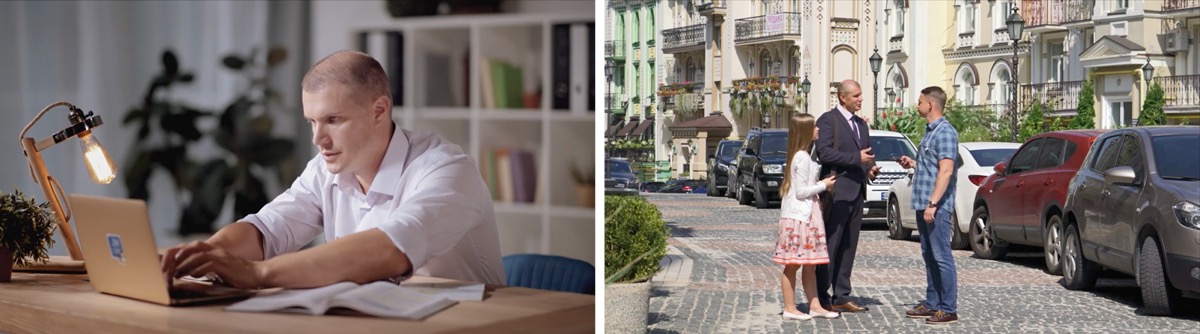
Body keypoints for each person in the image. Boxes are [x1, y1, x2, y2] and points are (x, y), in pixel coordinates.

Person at [161, 51, 505, 289]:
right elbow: (267, 229)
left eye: (333, 120)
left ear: (379, 110)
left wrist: (259, 273)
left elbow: (392, 247)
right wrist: (206, 256)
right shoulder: (326, 170)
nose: (318, 139)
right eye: (312, 121)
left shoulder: (446, 171)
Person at [813, 80, 880, 313]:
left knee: (848, 247)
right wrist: (856, 159)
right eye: (856, 96)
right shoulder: (828, 120)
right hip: (836, 192)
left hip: (857, 191)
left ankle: (842, 295)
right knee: (831, 246)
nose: (860, 99)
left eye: (861, 95)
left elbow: (866, 154)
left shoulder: (861, 124)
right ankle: (822, 297)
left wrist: (870, 167)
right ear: (843, 97)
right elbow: (824, 153)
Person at [897, 86, 960, 325]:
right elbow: (934, 166)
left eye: (920, 101)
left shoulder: (945, 132)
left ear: (931, 104)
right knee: (929, 255)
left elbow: (946, 171)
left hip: (937, 207)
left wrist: (933, 203)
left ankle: (948, 307)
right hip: (924, 203)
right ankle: (932, 303)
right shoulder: (931, 131)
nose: (917, 105)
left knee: (942, 256)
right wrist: (914, 163)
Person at [773, 114, 841, 321]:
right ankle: (790, 307)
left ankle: (815, 305)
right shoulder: (801, 157)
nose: (818, 129)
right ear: (805, 131)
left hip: (808, 214)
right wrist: (824, 185)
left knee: (810, 264)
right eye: (814, 127)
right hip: (799, 216)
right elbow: (801, 191)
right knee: (793, 263)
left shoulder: (804, 155)